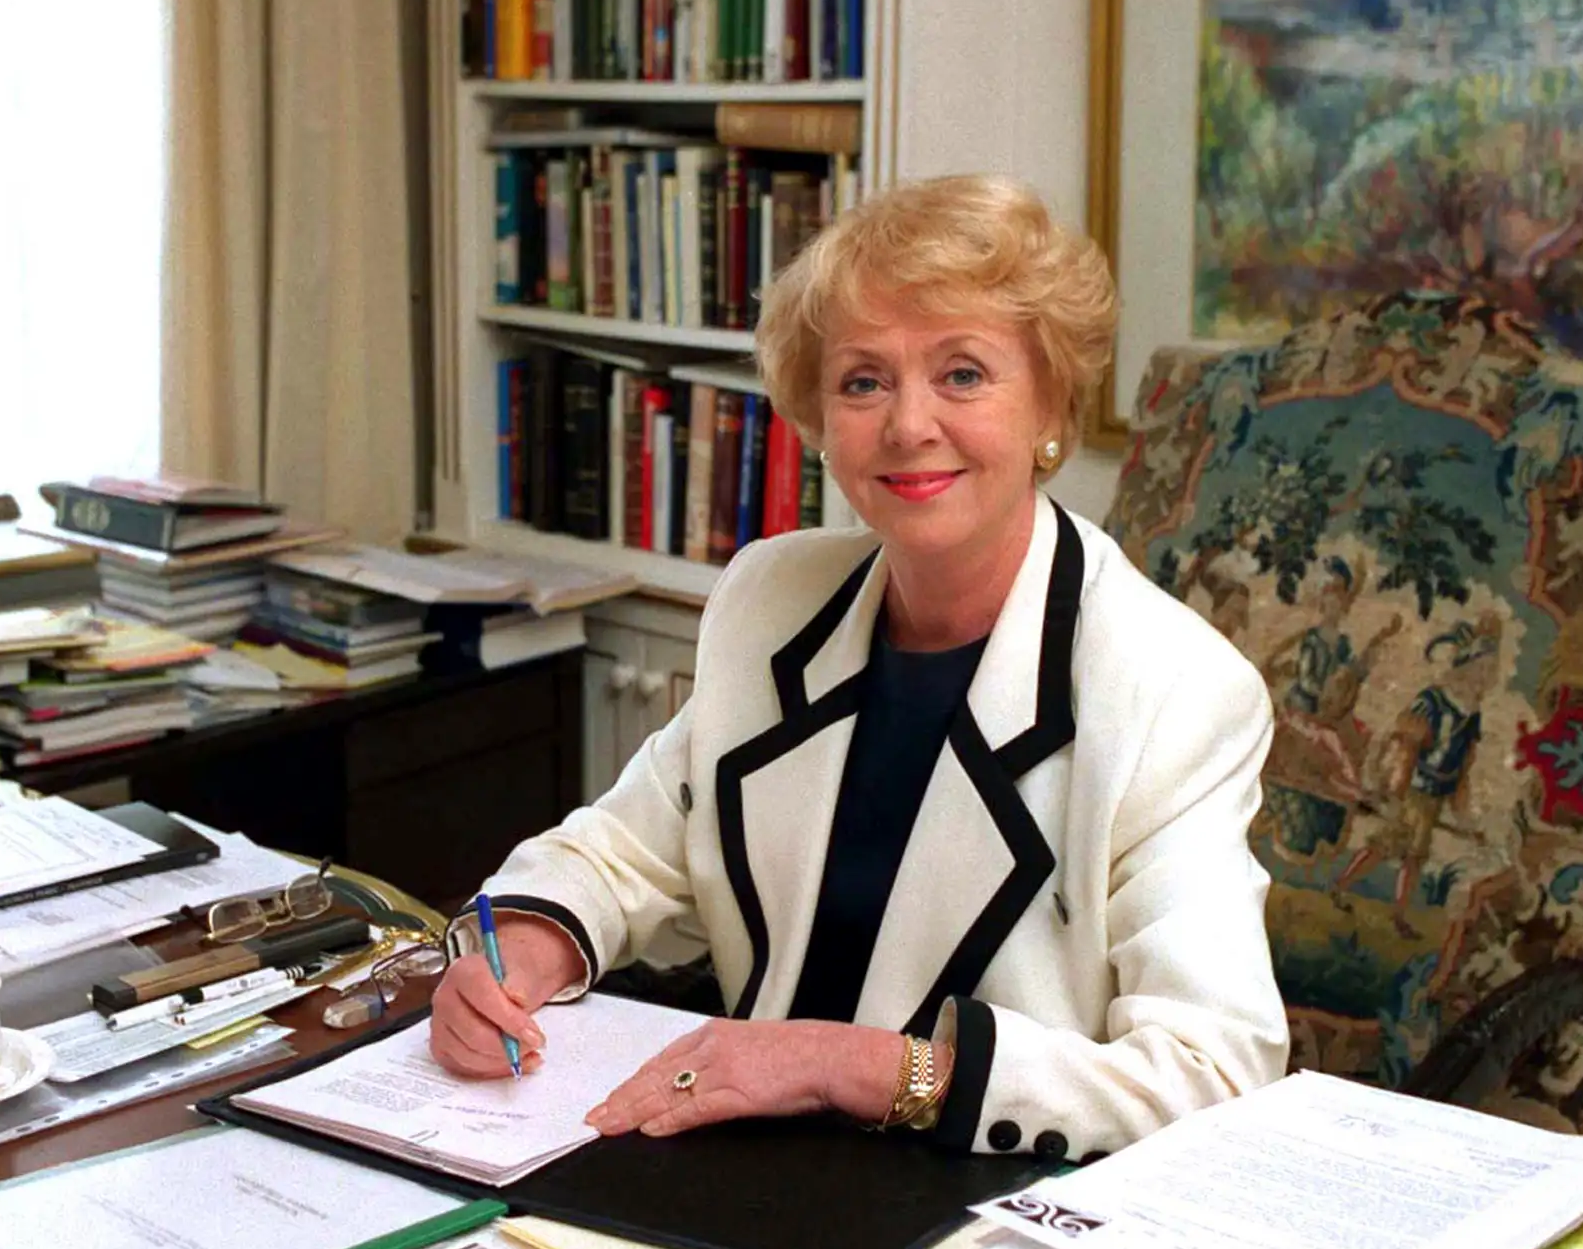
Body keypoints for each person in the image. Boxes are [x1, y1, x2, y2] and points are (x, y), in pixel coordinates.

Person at [428, 174, 1288, 1158]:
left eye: (963, 374)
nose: (908, 424)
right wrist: (522, 948)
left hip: (976, 1203)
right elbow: (621, 850)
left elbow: (1217, 1073)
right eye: (864, 380)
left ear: (1052, 399)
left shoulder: (1172, 690)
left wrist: (861, 1065)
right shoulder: (771, 600)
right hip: (732, 1153)